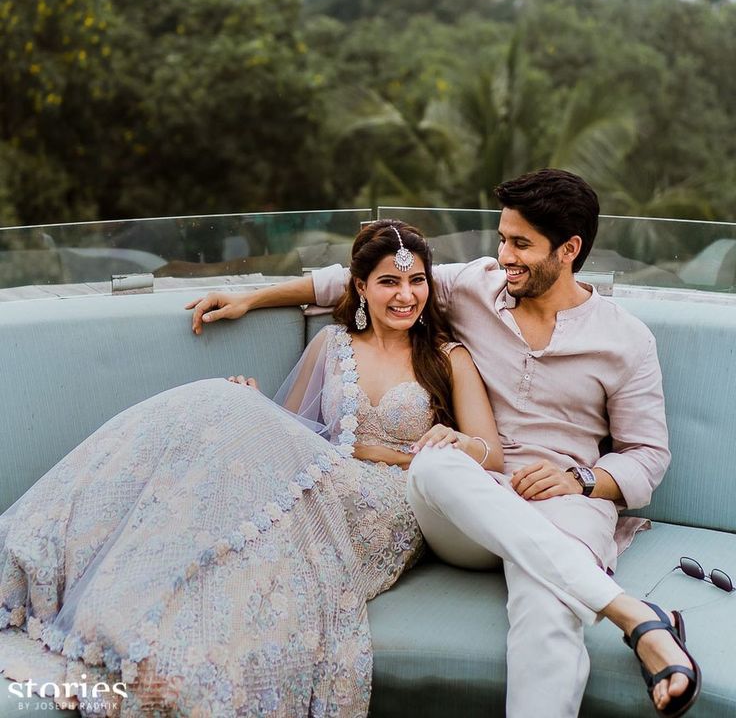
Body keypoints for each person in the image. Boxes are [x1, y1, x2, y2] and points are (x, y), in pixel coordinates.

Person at [191, 170, 701, 718]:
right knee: (435, 464)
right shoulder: (479, 285)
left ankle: (639, 627)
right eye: (502, 239)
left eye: (521, 245)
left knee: (548, 609)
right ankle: (631, 612)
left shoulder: (626, 340)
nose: (504, 256)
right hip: (465, 506)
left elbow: (648, 457)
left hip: (566, 505)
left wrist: (580, 478)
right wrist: (250, 297)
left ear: (570, 249)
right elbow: (364, 277)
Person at [0, 220, 502, 717]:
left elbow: (492, 455)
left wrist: (448, 443)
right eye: (390, 281)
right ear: (361, 287)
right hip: (323, 480)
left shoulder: (447, 357)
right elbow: (297, 431)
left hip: (389, 506)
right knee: (221, 406)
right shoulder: (333, 344)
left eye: (416, 281)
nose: (405, 295)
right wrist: (258, 408)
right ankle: (99, 593)